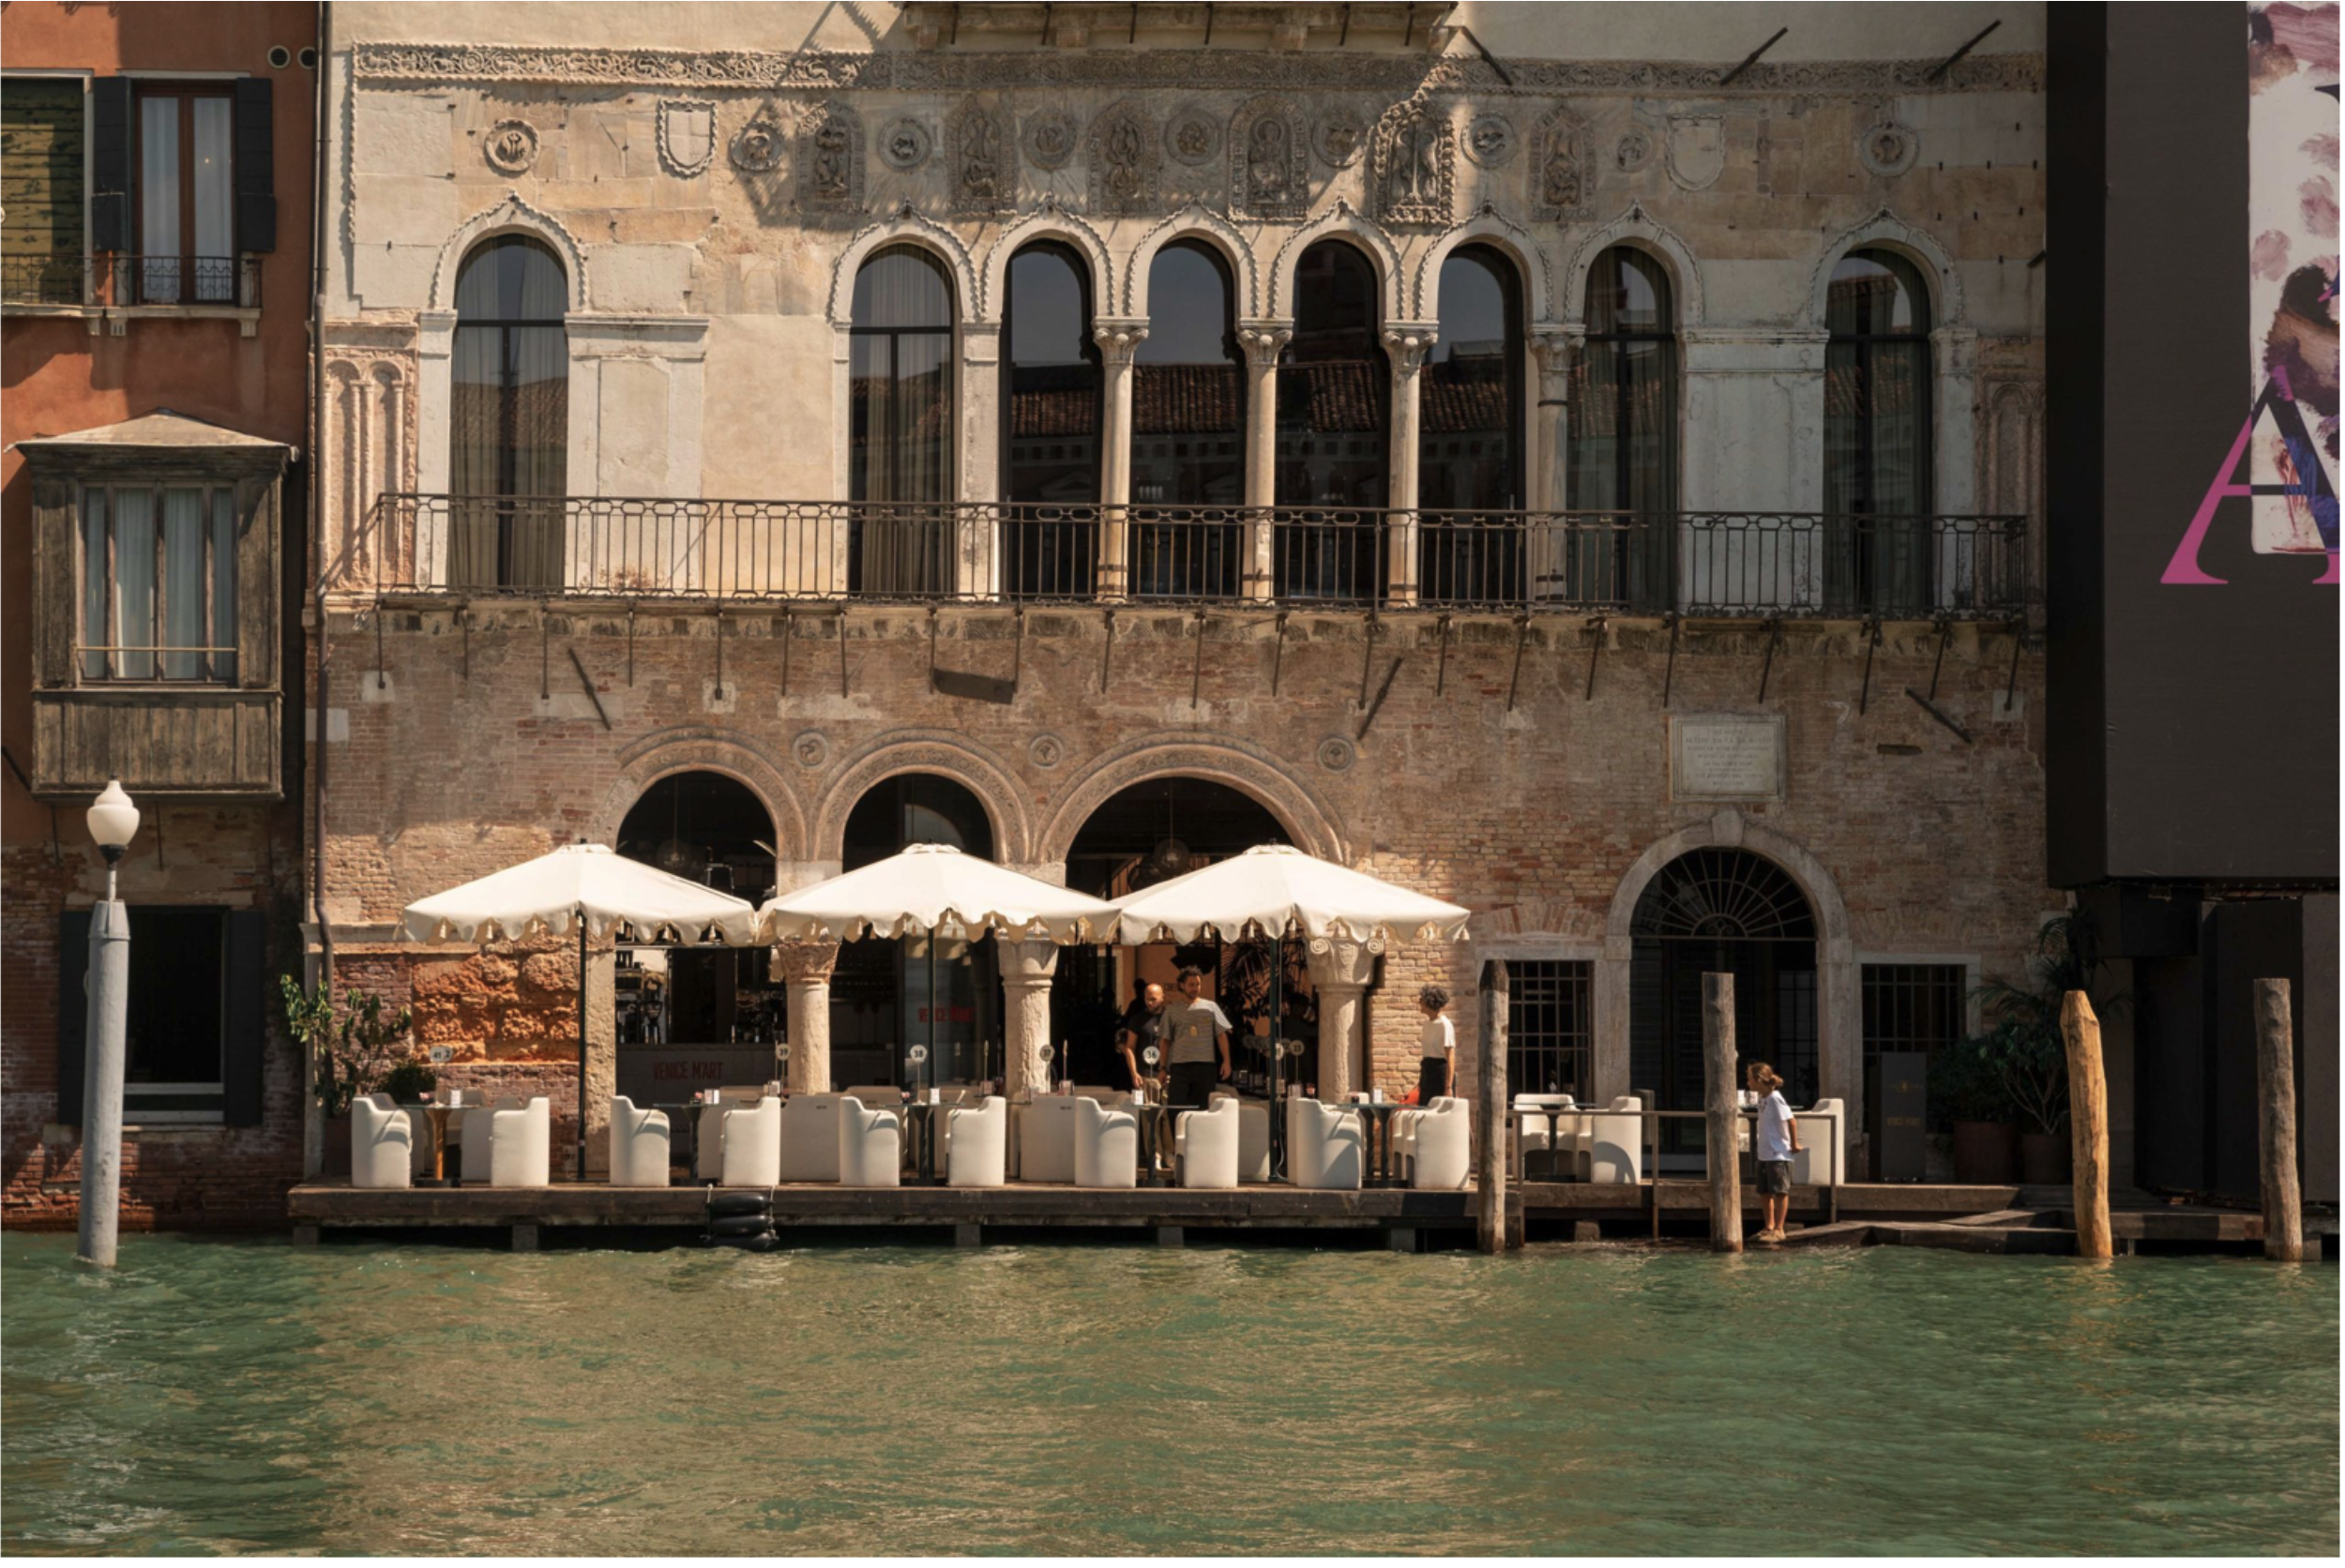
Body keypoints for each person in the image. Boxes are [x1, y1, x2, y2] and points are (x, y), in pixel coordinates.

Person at [1162, 966, 1233, 1110]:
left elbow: (1221, 1035)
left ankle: (1201, 1133)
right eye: (1191, 985)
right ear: (1182, 986)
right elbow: (1164, 1040)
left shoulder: (1211, 1007)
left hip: (1205, 1066)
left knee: (1204, 1108)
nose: (1195, 988)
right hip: (1180, 1066)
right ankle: (1178, 1133)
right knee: (1175, 1107)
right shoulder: (1171, 1010)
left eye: (1198, 984)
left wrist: (1227, 1061)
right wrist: (1163, 1068)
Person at [1747, 1062, 1800, 1242]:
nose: (1748, 1083)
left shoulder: (1775, 1098)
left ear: (1757, 1080)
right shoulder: (1763, 1098)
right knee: (1764, 1190)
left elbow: (1791, 1121)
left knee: (1779, 1190)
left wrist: (1794, 1144)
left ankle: (1779, 1227)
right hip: (1764, 1152)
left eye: (1749, 1079)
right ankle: (1768, 1226)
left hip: (1778, 1152)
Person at [1113, 982, 1166, 1094]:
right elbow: (1130, 1047)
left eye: (1153, 999)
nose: (1149, 1003)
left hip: (1167, 1075)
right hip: (1146, 1076)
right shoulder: (1137, 1019)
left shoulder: (1169, 1018)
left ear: (1162, 998)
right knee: (1147, 1111)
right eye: (1147, 999)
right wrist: (1134, 1073)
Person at [1416, 987, 1456, 1102]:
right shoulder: (1427, 1024)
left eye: (1422, 1000)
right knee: (1424, 1110)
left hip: (1440, 1073)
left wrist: (1448, 1087)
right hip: (1427, 1070)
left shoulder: (1445, 1025)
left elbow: (1450, 1057)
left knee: (1438, 1113)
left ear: (1429, 1002)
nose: (1419, 1002)